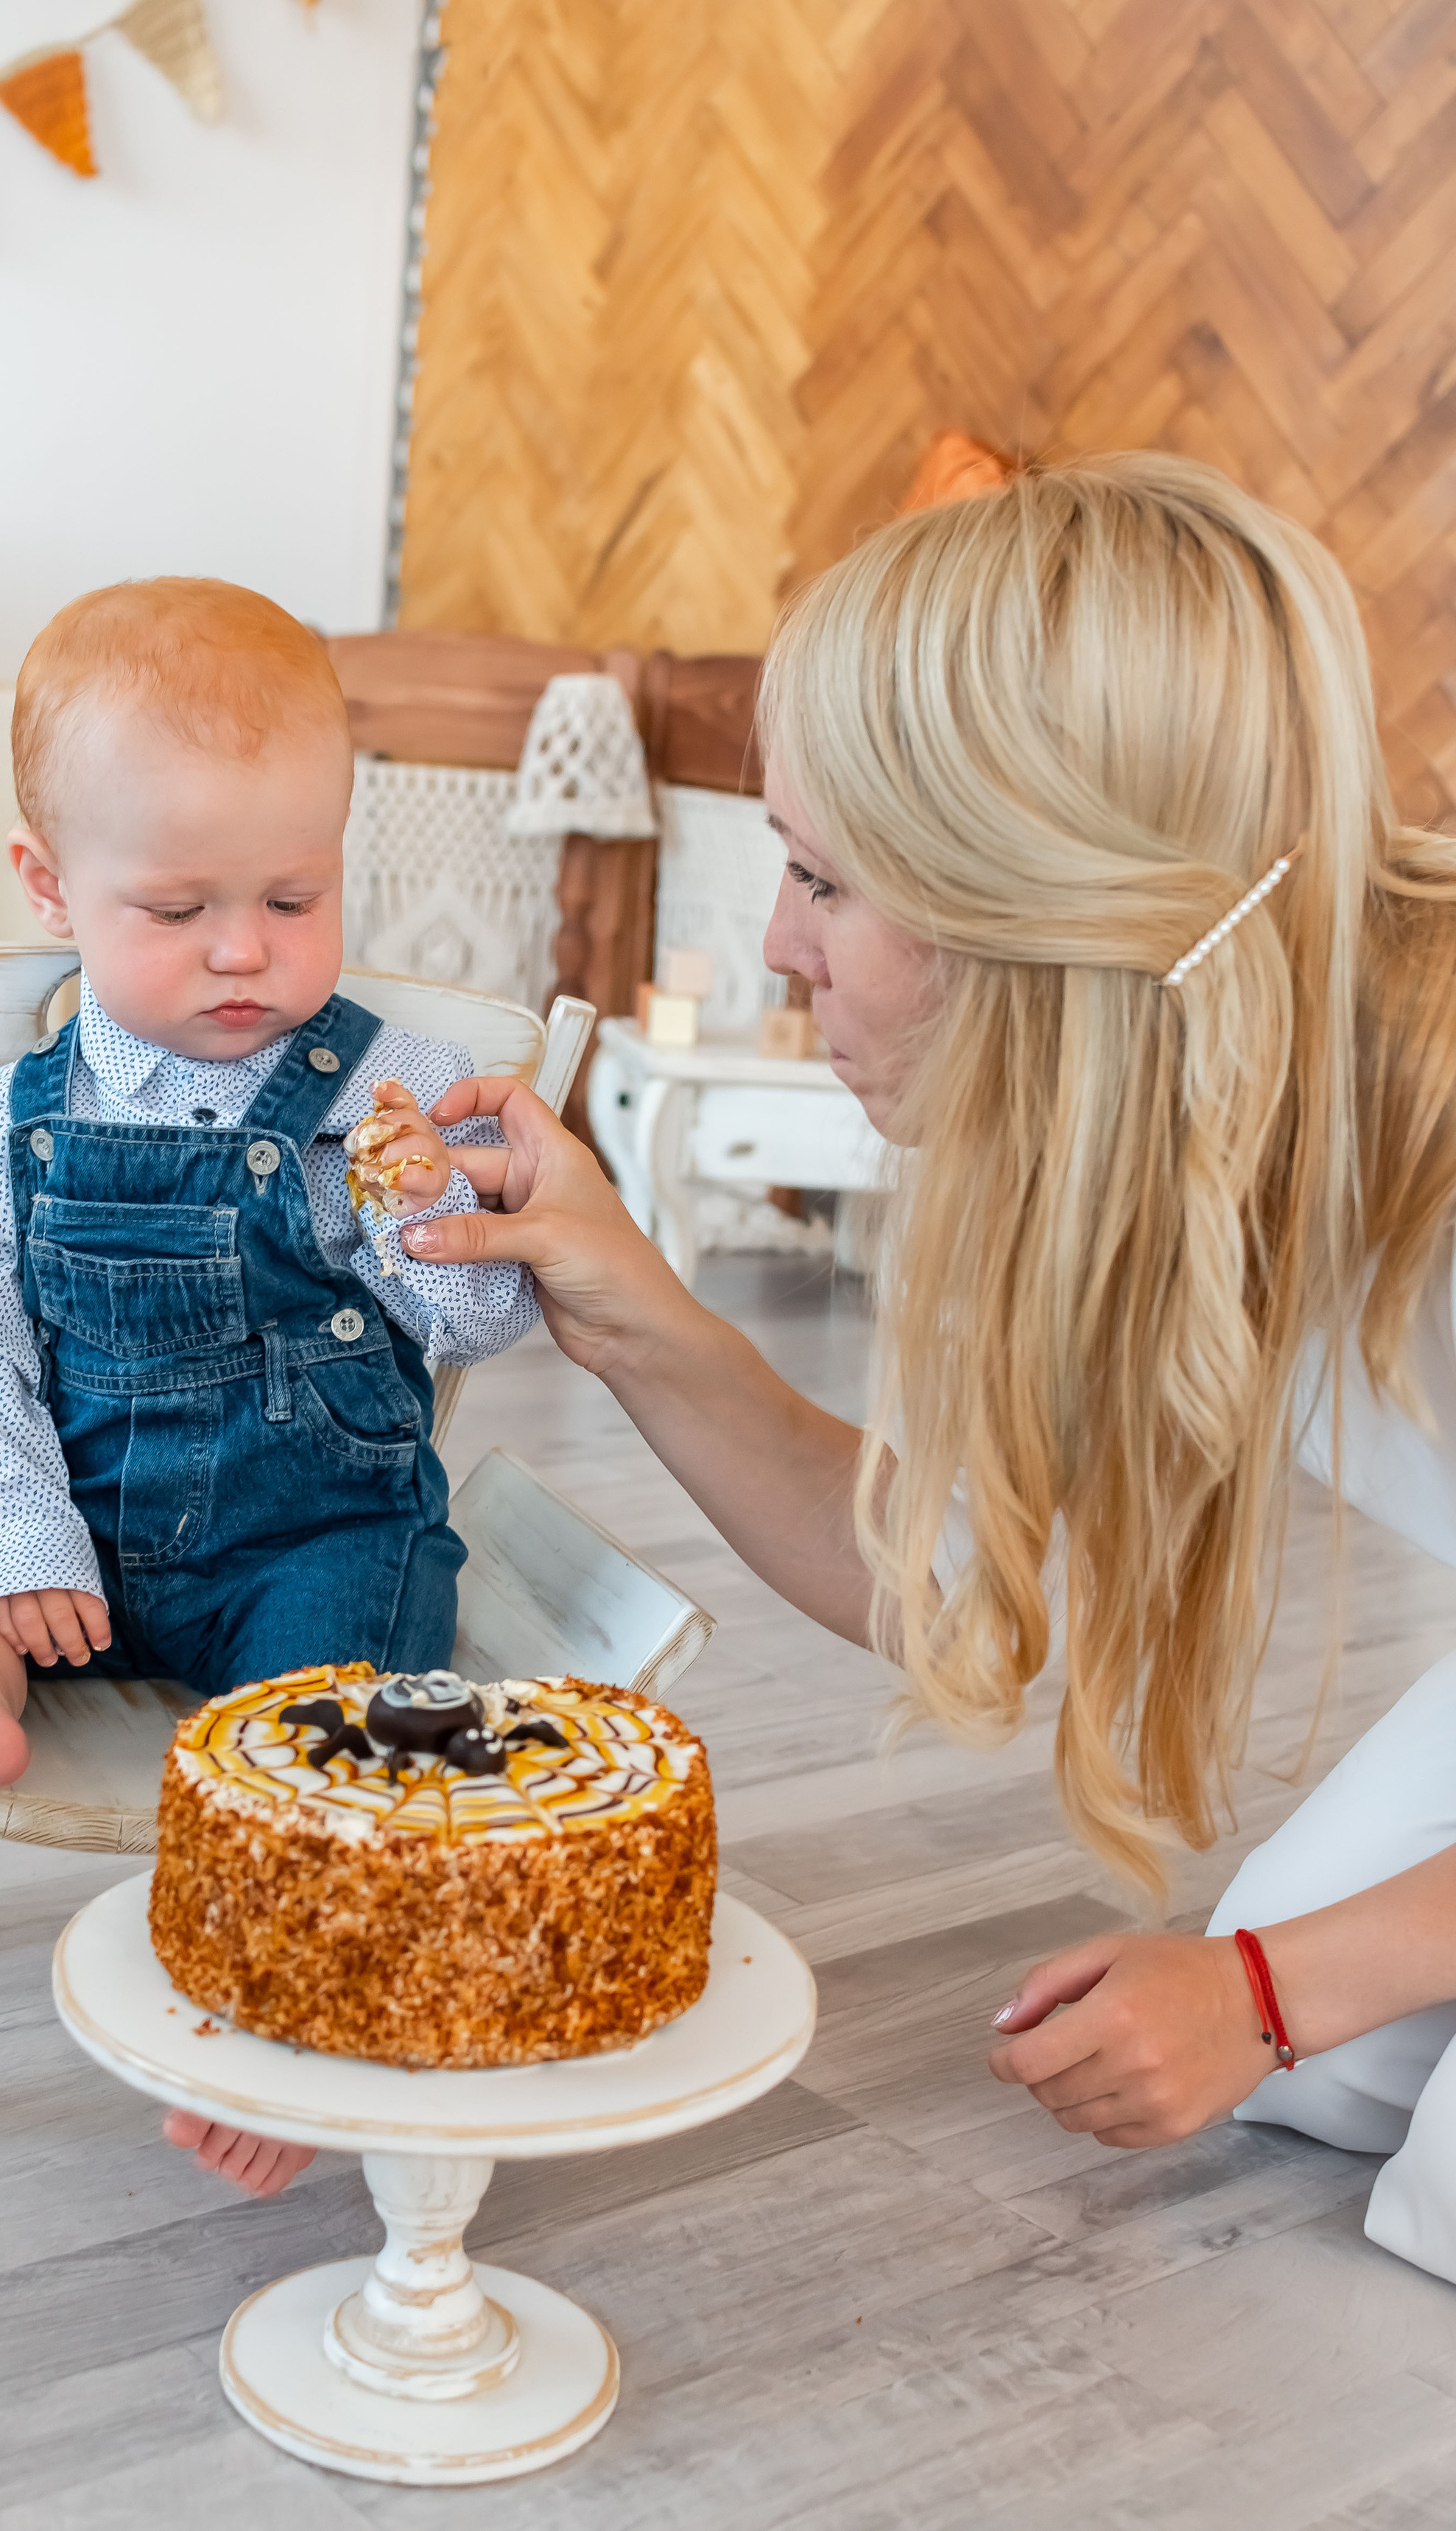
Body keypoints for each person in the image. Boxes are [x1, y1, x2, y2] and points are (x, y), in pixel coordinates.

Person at [390, 452, 1456, 2285]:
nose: (777, 950)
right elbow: (949, 1581)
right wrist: (623, 1295)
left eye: (819, 880)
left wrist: (1268, 1992)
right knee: (1342, 2069)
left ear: (1036, 905)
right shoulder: (1171, 1121)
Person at [0, 581, 534, 1794]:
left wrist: (423, 1210)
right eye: (179, 908)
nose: (244, 947)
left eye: (293, 900)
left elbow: (481, 1327)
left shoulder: (399, 1089)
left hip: (305, 1547)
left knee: (339, 1687)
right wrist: (22, 1536)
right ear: (50, 888)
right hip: (66, 1543)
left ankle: (273, 1782)